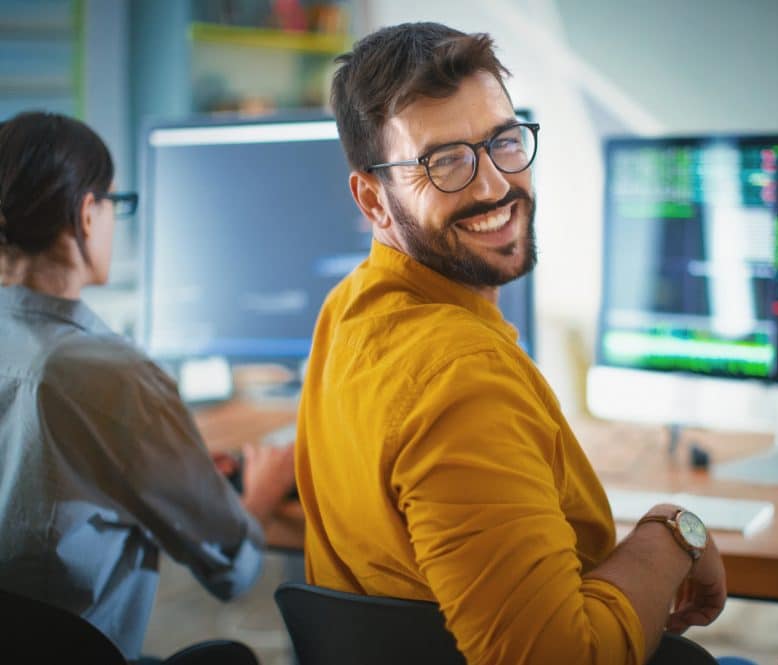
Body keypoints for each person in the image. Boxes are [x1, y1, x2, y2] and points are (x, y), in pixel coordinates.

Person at [295, 22, 727, 665]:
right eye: (443, 162)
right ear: (372, 199)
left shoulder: (351, 310)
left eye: (502, 141)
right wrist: (672, 535)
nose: (494, 186)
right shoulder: (463, 379)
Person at [0, 111, 296, 661]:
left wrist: (172, 464)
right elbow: (229, 569)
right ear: (88, 214)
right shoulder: (112, 374)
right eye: (117, 204)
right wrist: (259, 492)